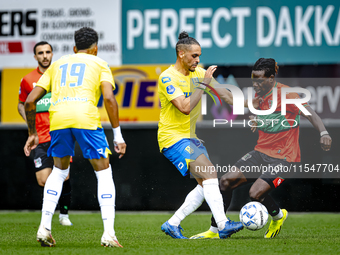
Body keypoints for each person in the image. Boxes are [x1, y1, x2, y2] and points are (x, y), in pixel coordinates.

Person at [190, 58, 332, 239]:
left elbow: (310, 114)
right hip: (261, 153)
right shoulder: (260, 97)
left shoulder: (287, 95)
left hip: (284, 158)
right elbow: (230, 98)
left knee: (255, 194)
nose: (255, 84)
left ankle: (278, 217)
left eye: (259, 80)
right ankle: (215, 230)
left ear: (271, 78)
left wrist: (324, 133)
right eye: (253, 79)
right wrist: (208, 81)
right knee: (225, 182)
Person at [23, 27, 126, 248]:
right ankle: (108, 233)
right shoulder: (100, 64)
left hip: (58, 120)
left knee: (59, 171)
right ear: (95, 48)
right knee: (104, 172)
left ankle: (44, 228)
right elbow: (109, 98)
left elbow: (30, 101)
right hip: (86, 119)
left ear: (74, 48)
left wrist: (32, 133)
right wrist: (118, 136)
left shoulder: (57, 64)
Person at [158, 31, 250, 239]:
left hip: (190, 137)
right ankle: (223, 224)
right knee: (209, 173)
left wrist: (254, 105)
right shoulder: (167, 77)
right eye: (194, 56)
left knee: (206, 184)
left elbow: (226, 95)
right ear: (181, 54)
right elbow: (184, 107)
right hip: (172, 138)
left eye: (199, 56)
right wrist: (203, 84)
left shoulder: (199, 74)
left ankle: (172, 223)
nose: (198, 60)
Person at [18, 41, 73, 226]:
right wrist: (29, 123)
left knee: (64, 175)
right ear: (35, 56)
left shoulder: (61, 75)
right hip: (39, 136)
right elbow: (21, 103)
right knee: (43, 179)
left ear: (52, 53)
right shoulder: (27, 80)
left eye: (48, 52)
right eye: (40, 53)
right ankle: (50, 211)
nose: (45, 56)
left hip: (60, 132)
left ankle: (64, 214)